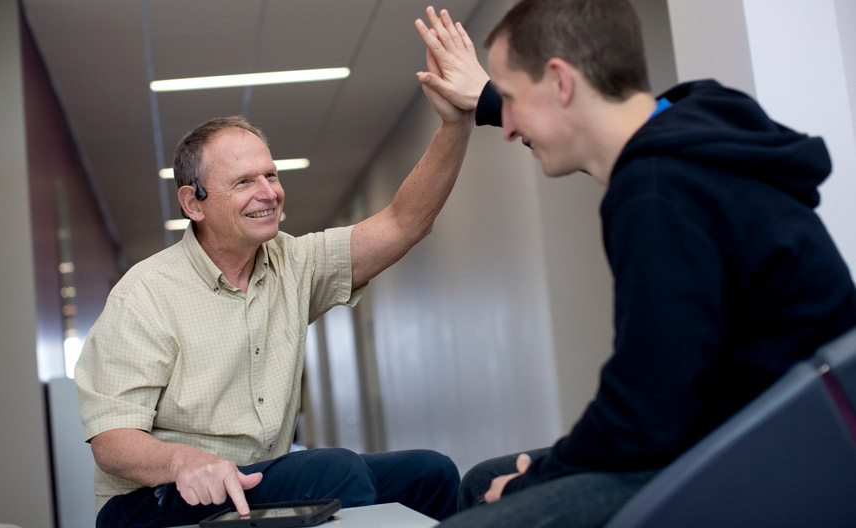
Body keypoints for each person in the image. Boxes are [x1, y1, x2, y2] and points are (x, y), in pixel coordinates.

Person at [414, 1, 856, 526]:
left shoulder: (655, 191)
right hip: (768, 424)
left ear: (561, 82)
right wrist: (490, 98)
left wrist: (535, 480)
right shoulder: (695, 130)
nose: (508, 127)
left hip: (771, 456)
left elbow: (644, 414)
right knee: (483, 481)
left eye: (511, 99)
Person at [75, 71, 474, 526]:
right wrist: (184, 462)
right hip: (153, 500)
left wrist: (455, 124)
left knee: (430, 473)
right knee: (334, 471)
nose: (269, 193)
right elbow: (112, 441)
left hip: (254, 481)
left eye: (270, 175)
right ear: (193, 203)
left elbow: (404, 223)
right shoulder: (144, 294)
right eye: (244, 182)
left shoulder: (293, 262)